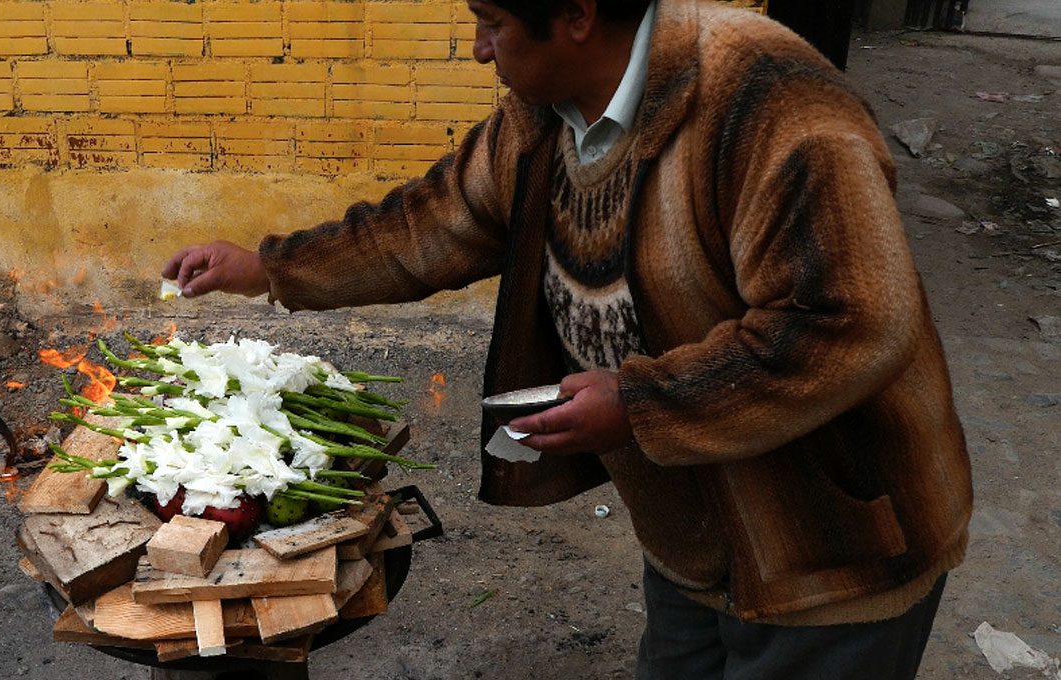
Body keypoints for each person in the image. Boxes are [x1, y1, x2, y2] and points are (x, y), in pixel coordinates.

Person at [163, 1, 972, 678]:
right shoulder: (544, 113)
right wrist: (269, 268)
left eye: (493, 23)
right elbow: (431, 223)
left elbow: (848, 321)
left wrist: (640, 403)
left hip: (833, 551)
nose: (478, 49)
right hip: (690, 535)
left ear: (579, 16)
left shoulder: (770, 104)